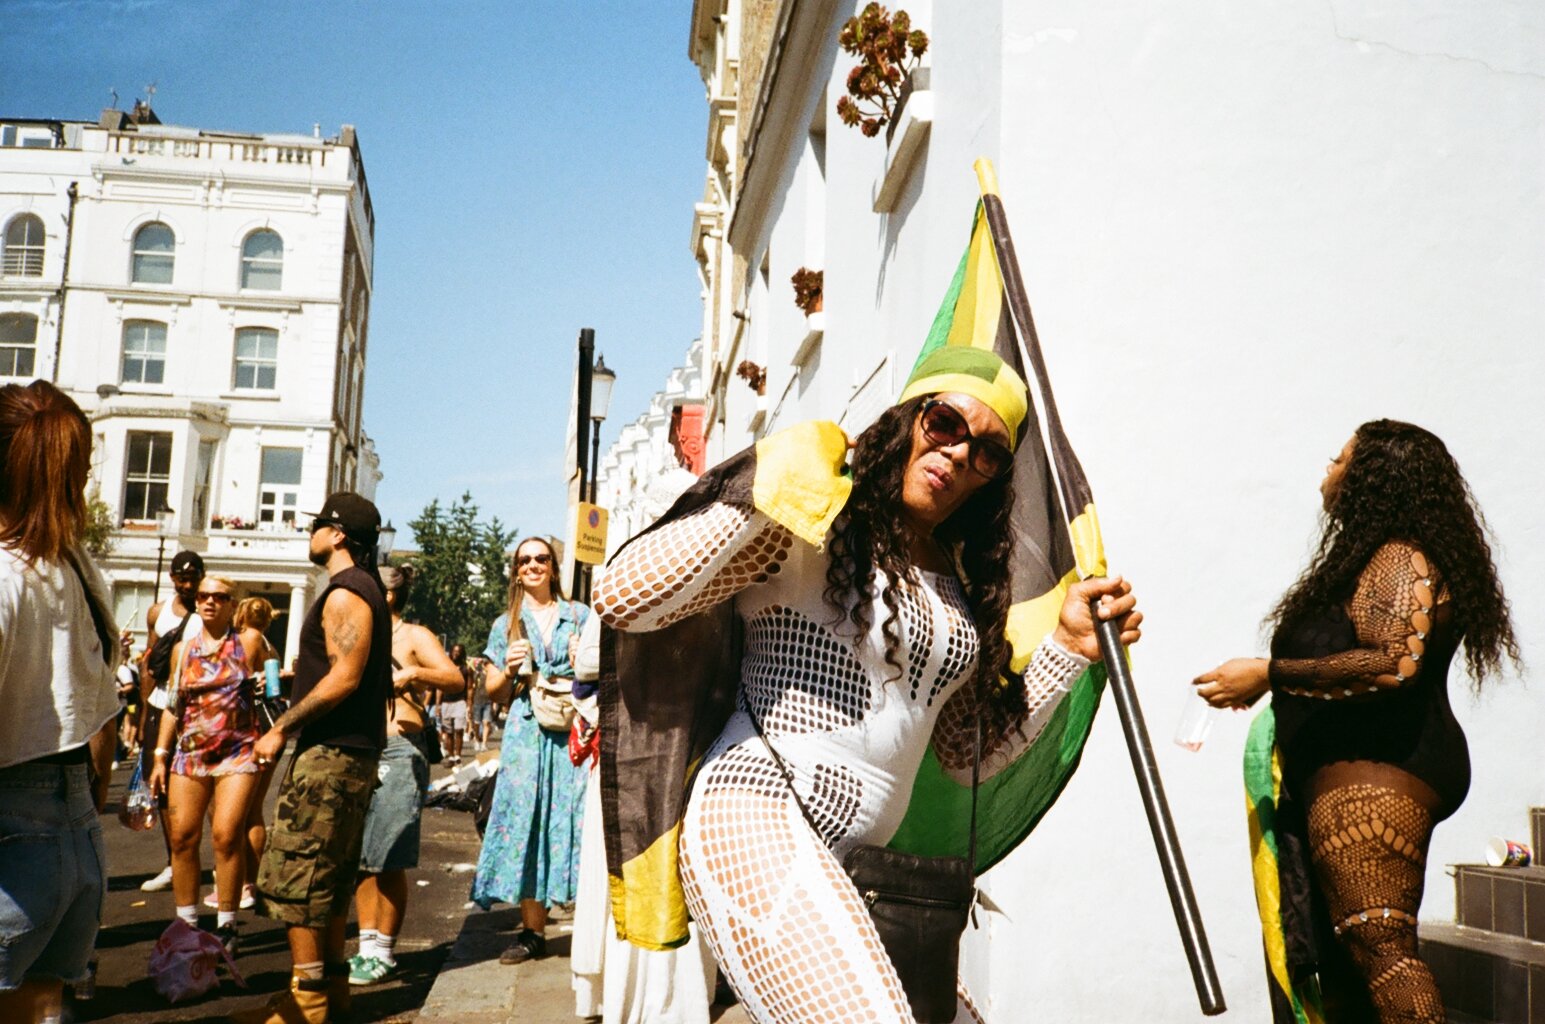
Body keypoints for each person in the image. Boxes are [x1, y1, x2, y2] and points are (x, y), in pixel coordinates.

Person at [594, 348, 1142, 1024]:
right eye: (944, 423)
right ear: (909, 418)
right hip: (756, 812)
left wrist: (1065, 649)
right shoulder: (818, 515)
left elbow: (964, 757)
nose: (957, 453)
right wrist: (772, 490)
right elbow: (622, 597)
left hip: (867, 868)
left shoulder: (962, 585)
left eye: (987, 452)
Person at [1195, 421, 1519, 1024]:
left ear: (1372, 478)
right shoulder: (1377, 558)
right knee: (1345, 965)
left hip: (1378, 775)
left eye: (1341, 457)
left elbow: (1394, 664)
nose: (1329, 463)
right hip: (1359, 776)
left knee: (1382, 951)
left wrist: (1270, 673)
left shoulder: (1398, 554)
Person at [237, 493, 392, 1024]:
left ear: (339, 534)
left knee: (298, 877)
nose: (311, 535)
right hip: (350, 755)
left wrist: (281, 726)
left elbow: (344, 677)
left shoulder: (347, 593)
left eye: (318, 526)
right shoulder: (364, 589)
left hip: (330, 756)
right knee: (328, 876)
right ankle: (330, 993)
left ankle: (308, 1001)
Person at [0, 380, 120, 1024]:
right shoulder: (73, 566)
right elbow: (102, 714)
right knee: (40, 1005)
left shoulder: (5, 576)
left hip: (14, 831)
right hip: (75, 834)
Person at [471, 536, 589, 965]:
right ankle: (532, 932)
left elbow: (604, 676)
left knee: (575, 820)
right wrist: (506, 667)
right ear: (517, 571)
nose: (534, 565)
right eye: (525, 561)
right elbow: (493, 693)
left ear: (554, 567)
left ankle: (585, 920)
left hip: (572, 733)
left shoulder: (580, 615)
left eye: (542, 558)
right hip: (525, 735)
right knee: (527, 823)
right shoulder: (507, 624)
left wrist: (583, 661)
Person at [348, 564, 463, 987]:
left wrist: (413, 673)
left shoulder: (414, 636)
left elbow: (454, 678)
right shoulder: (360, 634)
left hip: (399, 749)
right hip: (361, 748)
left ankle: (384, 951)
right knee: (361, 857)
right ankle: (365, 948)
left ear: (390, 596)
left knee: (388, 854)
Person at [147, 574, 264, 955]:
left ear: (233, 604)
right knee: (182, 838)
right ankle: (187, 923)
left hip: (237, 750)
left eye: (219, 597)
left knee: (227, 835)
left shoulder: (248, 641)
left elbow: (279, 674)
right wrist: (159, 757)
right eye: (203, 595)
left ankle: (227, 925)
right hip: (191, 751)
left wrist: (265, 681)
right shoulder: (183, 649)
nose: (209, 601)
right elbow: (172, 706)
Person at [137, 549, 207, 894]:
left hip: (199, 710)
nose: (189, 584)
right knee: (160, 785)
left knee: (203, 785)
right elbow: (149, 664)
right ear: (172, 578)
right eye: (183, 578)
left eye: (194, 577)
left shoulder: (210, 609)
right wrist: (142, 713)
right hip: (161, 703)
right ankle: (173, 861)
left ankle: (199, 861)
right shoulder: (158, 612)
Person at [209, 596, 281, 913]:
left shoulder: (248, 639)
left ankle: (239, 883)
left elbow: (239, 683)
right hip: (267, 727)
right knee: (253, 811)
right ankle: (248, 882)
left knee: (238, 813)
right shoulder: (267, 642)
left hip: (248, 730)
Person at [436, 644, 468, 766]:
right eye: (454, 651)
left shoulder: (465, 669)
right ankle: (451, 756)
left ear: (462, 654)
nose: (456, 654)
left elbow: (470, 688)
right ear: (450, 652)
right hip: (446, 703)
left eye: (458, 652)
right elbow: (440, 687)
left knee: (459, 730)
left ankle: (458, 756)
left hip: (460, 702)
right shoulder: (445, 668)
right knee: (448, 732)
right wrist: (438, 705)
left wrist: (469, 704)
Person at [467, 652, 495, 751]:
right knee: (477, 723)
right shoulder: (477, 671)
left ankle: (484, 743)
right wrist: (469, 702)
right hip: (477, 700)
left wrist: (494, 703)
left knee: (486, 722)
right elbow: (471, 687)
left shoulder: (493, 672)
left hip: (488, 700)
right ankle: (476, 740)